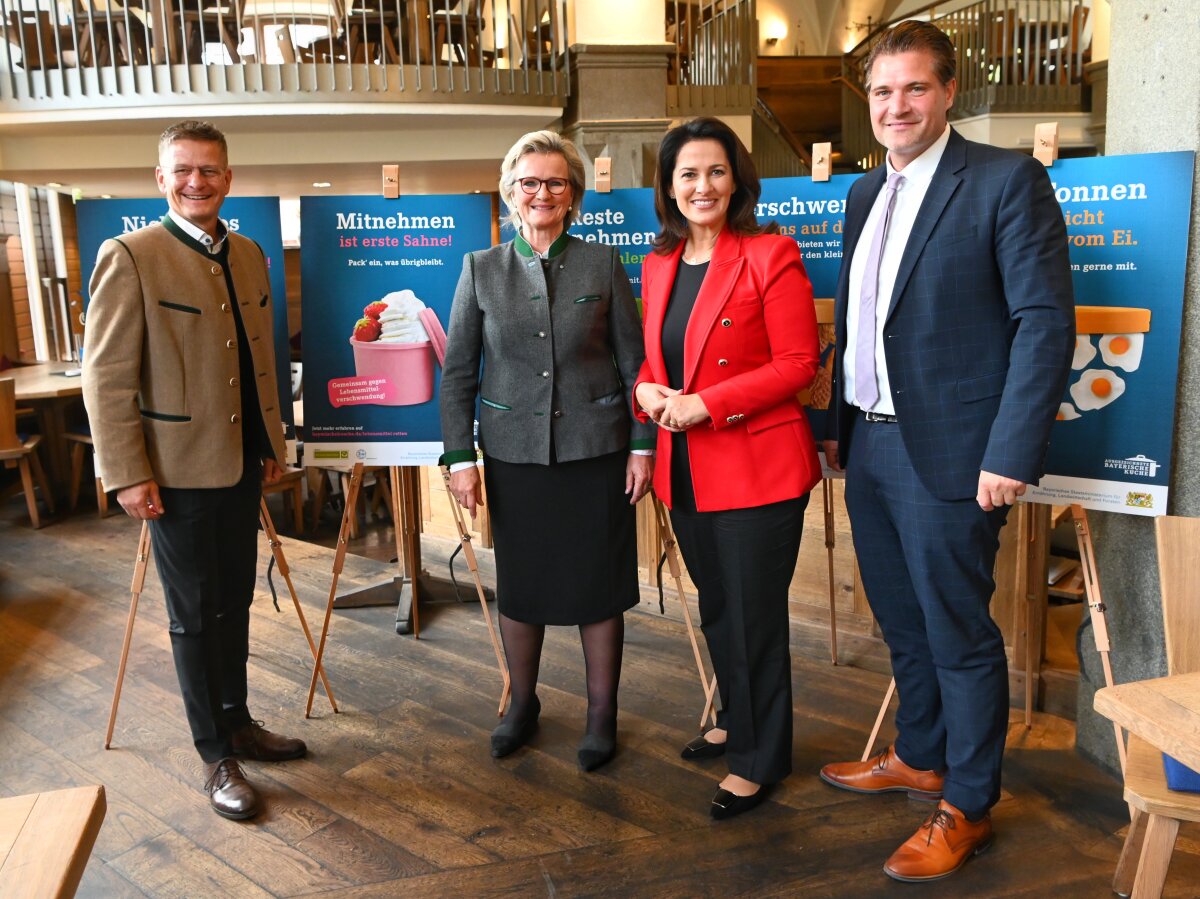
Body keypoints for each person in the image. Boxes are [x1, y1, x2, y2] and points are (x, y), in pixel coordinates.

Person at [818, 22, 1075, 882]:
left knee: (958, 631)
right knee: (898, 617)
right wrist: (836, 428)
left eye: (914, 88)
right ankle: (920, 753)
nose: (897, 106)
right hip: (872, 444)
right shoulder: (863, 194)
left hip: (960, 455)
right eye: (883, 92)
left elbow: (1043, 323)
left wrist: (1010, 451)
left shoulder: (1006, 180)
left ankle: (966, 802)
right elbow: (864, 322)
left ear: (949, 91)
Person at [82, 120, 306, 821]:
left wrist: (272, 440)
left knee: (234, 600)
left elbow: (256, 357)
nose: (196, 181)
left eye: (209, 170)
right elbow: (107, 377)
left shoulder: (247, 253)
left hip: (241, 464)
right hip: (172, 473)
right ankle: (216, 755)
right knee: (192, 617)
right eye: (182, 169)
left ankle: (237, 718)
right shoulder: (130, 255)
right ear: (161, 179)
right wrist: (125, 472)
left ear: (228, 178)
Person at [440, 130, 654, 772]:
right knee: (524, 587)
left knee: (599, 586)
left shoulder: (603, 264)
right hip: (513, 455)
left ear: (572, 195)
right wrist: (460, 458)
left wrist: (642, 446)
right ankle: (521, 704)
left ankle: (600, 714)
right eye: (529, 182)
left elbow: (635, 364)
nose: (542, 193)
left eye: (555, 182)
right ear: (510, 192)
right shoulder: (482, 269)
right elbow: (457, 372)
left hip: (597, 452)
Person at [633, 117, 822, 819]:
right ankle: (738, 719)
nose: (702, 185)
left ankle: (759, 758)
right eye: (688, 173)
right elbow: (657, 361)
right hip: (685, 471)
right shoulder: (657, 264)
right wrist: (645, 391)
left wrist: (707, 404)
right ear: (669, 187)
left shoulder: (771, 254)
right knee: (720, 609)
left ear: (737, 179)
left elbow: (798, 365)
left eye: (715, 171)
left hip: (756, 465)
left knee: (754, 618)